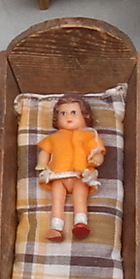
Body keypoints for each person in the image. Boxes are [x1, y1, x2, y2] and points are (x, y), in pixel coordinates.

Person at [36, 94, 105, 241]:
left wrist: (96, 160)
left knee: (80, 198)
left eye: (74, 112)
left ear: (85, 116)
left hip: (80, 175)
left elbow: (97, 152)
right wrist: (42, 164)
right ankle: (56, 228)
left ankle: (81, 223)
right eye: (63, 113)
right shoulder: (54, 137)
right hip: (58, 175)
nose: (68, 117)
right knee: (57, 200)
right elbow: (45, 152)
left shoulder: (89, 135)